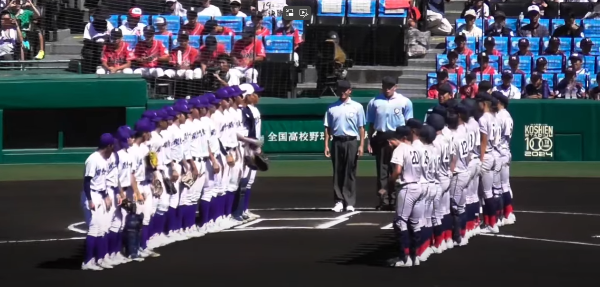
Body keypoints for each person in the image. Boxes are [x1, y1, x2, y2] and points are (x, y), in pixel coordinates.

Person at [366, 76, 413, 211]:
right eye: (385, 86)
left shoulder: (404, 101)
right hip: (381, 137)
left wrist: (407, 141)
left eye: (390, 86)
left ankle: (396, 199)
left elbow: (409, 124)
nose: (387, 89)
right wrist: (369, 141)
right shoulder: (374, 102)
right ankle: (384, 200)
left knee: (396, 170)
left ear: (395, 87)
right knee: (382, 171)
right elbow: (372, 124)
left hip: (397, 137)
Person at [323, 80, 365, 213]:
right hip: (337, 141)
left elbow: (361, 127)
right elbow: (327, 128)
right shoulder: (332, 107)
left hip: (351, 141)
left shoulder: (357, 107)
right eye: (340, 89)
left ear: (350, 90)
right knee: (338, 171)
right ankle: (339, 201)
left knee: (350, 171)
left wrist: (362, 145)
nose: (342, 92)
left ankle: (350, 201)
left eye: (345, 89)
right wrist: (326, 145)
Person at [387, 126, 423, 268]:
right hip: (419, 187)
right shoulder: (416, 148)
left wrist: (389, 185)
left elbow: (397, 171)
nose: (390, 144)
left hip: (407, 187)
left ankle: (404, 258)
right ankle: (415, 256)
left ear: (400, 138)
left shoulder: (400, 149)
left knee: (401, 222)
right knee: (414, 223)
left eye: (391, 141)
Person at [81, 133, 116, 271]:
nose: (113, 150)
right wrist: (90, 200)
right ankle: (87, 262)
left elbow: (100, 182)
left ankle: (99, 259)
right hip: (92, 196)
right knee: (94, 229)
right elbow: (87, 181)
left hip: (100, 195)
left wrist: (106, 196)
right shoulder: (93, 160)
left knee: (102, 229)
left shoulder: (103, 160)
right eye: (112, 147)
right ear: (108, 146)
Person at [475, 92, 500, 234]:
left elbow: (483, 140)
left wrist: (481, 158)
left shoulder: (483, 119)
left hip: (487, 156)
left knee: (485, 193)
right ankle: (492, 222)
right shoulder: (494, 118)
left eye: (479, 102)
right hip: (495, 155)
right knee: (489, 192)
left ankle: (490, 223)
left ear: (483, 104)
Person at [446, 107, 471, 246]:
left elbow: (453, 158)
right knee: (461, 206)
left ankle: (457, 238)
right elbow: (467, 156)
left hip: (458, 174)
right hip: (466, 171)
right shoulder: (463, 133)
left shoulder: (452, 136)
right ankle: (462, 234)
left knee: (454, 207)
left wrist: (451, 172)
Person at [490, 92, 515, 226]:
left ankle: (501, 216)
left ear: (499, 102)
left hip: (500, 153)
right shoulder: (507, 115)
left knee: (498, 187)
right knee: (505, 185)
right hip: (505, 152)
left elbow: (500, 138)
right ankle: (508, 213)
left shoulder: (500, 116)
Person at [82, 6, 113, 73]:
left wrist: (105, 44)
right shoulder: (89, 25)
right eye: (99, 17)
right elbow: (86, 41)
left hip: (106, 47)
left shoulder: (109, 25)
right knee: (88, 52)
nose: (101, 19)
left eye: (103, 17)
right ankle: (90, 71)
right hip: (93, 48)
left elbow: (112, 39)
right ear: (95, 16)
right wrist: (96, 44)